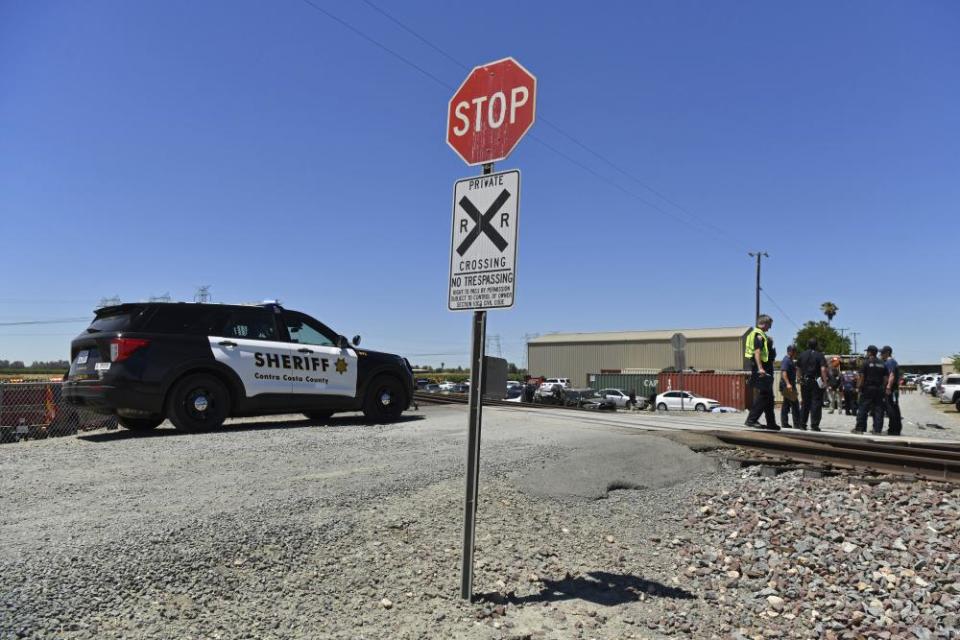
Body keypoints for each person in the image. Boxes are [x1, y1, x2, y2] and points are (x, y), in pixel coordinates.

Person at [744, 314, 779, 430]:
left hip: (764, 367)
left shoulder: (761, 335)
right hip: (762, 368)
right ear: (763, 323)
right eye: (769, 325)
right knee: (764, 395)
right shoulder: (758, 335)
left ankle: (771, 423)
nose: (770, 328)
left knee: (769, 397)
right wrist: (760, 368)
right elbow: (757, 352)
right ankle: (751, 419)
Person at [854, 345, 886, 434]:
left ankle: (860, 428)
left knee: (863, 408)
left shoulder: (866, 363)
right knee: (878, 409)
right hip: (879, 389)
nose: (866, 353)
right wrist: (882, 387)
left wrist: (858, 387)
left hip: (867, 388)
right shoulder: (882, 364)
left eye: (867, 352)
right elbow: (885, 378)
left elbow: (862, 377)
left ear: (870, 352)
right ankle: (877, 430)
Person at [797, 338, 828, 431]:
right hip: (816, 381)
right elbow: (823, 369)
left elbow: (798, 368)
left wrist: (799, 379)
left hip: (805, 381)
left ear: (808, 345)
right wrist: (825, 382)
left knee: (805, 403)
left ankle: (802, 424)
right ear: (816, 345)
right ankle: (814, 425)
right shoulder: (820, 355)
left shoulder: (802, 354)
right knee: (816, 403)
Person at [880, 346, 903, 436]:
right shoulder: (892, 362)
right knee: (894, 408)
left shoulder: (890, 362)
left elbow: (891, 375)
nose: (880, 354)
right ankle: (895, 428)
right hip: (894, 389)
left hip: (891, 389)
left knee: (891, 409)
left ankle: (893, 430)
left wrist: (888, 387)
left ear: (887, 353)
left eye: (882, 353)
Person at [779, 344, 801, 429]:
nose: (795, 353)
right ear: (790, 351)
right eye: (794, 351)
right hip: (787, 385)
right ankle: (797, 424)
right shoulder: (786, 360)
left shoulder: (790, 360)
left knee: (786, 404)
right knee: (795, 404)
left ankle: (784, 423)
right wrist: (788, 384)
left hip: (789, 384)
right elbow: (784, 372)